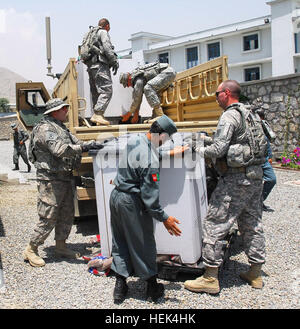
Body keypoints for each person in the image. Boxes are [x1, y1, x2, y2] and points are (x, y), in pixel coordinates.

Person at [184, 80, 266, 294]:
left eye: (217, 94)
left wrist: (197, 148)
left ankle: (210, 278)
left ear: (226, 93)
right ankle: (255, 273)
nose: (216, 97)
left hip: (236, 180)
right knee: (252, 222)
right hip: (256, 177)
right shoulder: (251, 113)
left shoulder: (230, 115)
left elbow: (219, 149)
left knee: (215, 222)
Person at [110, 115, 187, 303]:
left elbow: (143, 154)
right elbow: (149, 198)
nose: (165, 143)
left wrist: (169, 153)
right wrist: (165, 218)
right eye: (166, 139)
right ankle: (152, 287)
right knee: (143, 243)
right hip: (131, 203)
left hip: (116, 198)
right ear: (160, 134)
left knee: (120, 241)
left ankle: (120, 286)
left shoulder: (135, 139)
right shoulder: (151, 162)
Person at [23, 98, 101, 267]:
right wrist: (84, 149)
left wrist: (94, 145)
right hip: (50, 179)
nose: (66, 110)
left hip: (64, 176)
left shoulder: (60, 127)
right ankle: (31, 248)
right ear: (54, 111)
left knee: (66, 213)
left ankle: (61, 246)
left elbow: (76, 143)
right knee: (49, 215)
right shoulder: (45, 129)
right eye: (63, 108)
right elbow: (59, 150)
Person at [85, 18, 119, 126]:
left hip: (91, 66)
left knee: (96, 92)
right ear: (107, 26)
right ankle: (98, 114)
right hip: (100, 65)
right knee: (107, 90)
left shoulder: (89, 34)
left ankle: (98, 117)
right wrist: (114, 61)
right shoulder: (103, 32)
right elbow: (107, 48)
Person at [256, 109, 277, 212]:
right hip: (254, 159)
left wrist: (269, 157)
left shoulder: (264, 127)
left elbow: (268, 141)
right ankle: (255, 204)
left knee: (272, 179)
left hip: (264, 159)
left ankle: (259, 201)